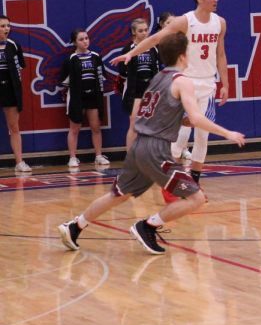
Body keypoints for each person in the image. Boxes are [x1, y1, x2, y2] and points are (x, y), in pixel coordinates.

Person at [58, 32, 246, 255]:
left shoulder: (158, 77)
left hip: (139, 145)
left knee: (118, 194)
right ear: (184, 55)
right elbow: (195, 118)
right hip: (156, 149)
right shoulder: (182, 81)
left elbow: (165, 112)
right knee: (196, 198)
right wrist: (227, 133)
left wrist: (180, 119)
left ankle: (74, 226)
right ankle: (147, 226)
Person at [113, 0, 229, 186]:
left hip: (208, 84)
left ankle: (194, 182)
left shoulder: (220, 22)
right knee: (182, 133)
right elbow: (156, 38)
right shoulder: (186, 21)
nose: (216, 0)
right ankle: (168, 179)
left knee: (203, 136)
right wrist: (131, 53)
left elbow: (221, 55)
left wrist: (226, 84)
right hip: (187, 83)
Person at [61, 29, 109, 168]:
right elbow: (65, 81)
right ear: (75, 42)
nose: (85, 41)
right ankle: (72, 157)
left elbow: (101, 77)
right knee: (74, 129)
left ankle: (99, 155)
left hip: (93, 97)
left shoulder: (95, 57)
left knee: (96, 127)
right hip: (77, 98)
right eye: (81, 39)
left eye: (87, 38)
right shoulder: (71, 59)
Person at [117, 18, 160, 151]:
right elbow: (123, 71)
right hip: (134, 91)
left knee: (151, 125)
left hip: (150, 91)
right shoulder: (127, 49)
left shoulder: (154, 49)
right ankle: (130, 157)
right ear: (133, 32)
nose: (144, 33)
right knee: (134, 124)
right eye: (140, 31)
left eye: (146, 30)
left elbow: (157, 69)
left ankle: (149, 155)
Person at [0, 15, 29, 172]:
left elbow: (20, 70)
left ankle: (19, 162)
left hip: (9, 90)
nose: (6, 29)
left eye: (8, 25)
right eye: (2, 26)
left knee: (14, 126)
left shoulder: (14, 45)